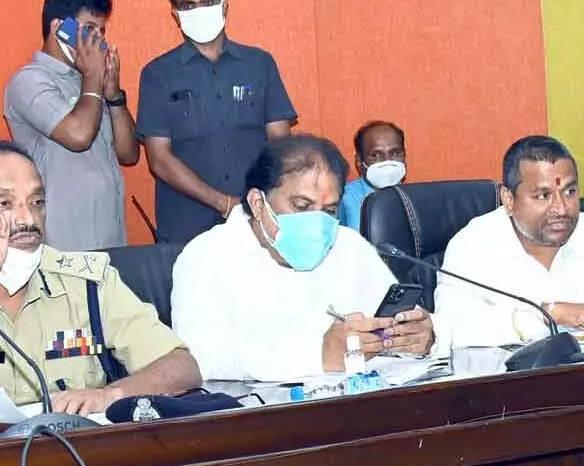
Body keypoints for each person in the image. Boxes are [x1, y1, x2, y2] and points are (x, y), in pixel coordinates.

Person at [0, 141, 200, 418]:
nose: (27, 219)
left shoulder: (87, 280)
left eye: (37, 202)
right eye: (4, 204)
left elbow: (181, 367)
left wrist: (110, 395)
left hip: (76, 461)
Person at [170, 135, 445, 381]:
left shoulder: (348, 246)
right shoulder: (206, 257)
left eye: (329, 210)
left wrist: (419, 336)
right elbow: (198, 360)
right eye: (302, 206)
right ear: (257, 203)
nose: (317, 222)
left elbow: (393, 324)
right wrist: (317, 356)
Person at [137, 0, 297, 244]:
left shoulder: (259, 64)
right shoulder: (157, 74)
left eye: (208, 1)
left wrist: (257, 201)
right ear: (175, 14)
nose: (200, 11)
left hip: (258, 218)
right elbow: (159, 159)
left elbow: (281, 142)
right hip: (186, 227)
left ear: (225, 4)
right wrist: (224, 203)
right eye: (188, 5)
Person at [3, 0, 139, 251]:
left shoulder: (88, 82)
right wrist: (93, 77)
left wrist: (113, 96)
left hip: (111, 239)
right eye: (89, 29)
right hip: (63, 244)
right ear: (58, 28)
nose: (98, 39)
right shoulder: (29, 81)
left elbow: (129, 155)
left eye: (102, 31)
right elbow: (78, 136)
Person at [436, 136, 584, 347]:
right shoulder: (473, 246)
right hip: (512, 377)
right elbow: (449, 331)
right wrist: (548, 315)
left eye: (569, 192)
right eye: (543, 195)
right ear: (508, 199)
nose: (561, 209)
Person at [338, 121, 408, 230]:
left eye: (395, 153)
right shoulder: (343, 198)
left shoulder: (415, 199)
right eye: (376, 155)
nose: (387, 161)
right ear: (359, 162)